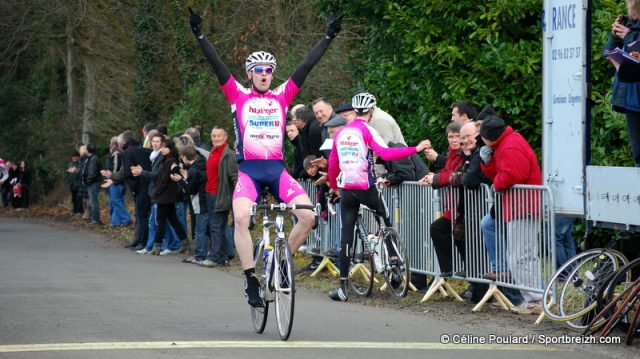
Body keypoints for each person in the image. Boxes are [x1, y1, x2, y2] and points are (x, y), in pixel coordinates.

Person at [189, 7, 342, 307]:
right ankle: (250, 281)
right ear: (249, 74)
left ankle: (282, 264)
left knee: (309, 216)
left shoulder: (282, 96)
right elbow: (217, 64)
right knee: (243, 217)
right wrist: (200, 35)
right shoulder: (237, 95)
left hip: (276, 170)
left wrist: (327, 36)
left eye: (268, 70)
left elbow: (305, 66)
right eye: (257, 70)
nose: (263, 74)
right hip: (248, 171)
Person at [326, 92, 431, 301]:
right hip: (367, 188)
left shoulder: (340, 133)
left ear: (355, 111)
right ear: (371, 110)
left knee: (346, 234)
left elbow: (332, 164)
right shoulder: (368, 130)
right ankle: (393, 262)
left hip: (347, 189)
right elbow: (387, 154)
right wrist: (416, 148)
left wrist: (334, 188)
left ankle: (343, 288)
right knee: (386, 223)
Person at [479, 115, 542, 315]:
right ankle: (535, 298)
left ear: (488, 137)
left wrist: (496, 184)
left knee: (520, 256)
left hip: (522, 206)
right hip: (521, 205)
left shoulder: (510, 146)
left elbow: (512, 175)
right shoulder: (508, 143)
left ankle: (534, 300)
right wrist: (488, 162)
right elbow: (503, 172)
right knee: (523, 255)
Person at [603, 2, 640, 167]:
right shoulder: (631, 23)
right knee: (638, 153)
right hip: (632, 98)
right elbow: (607, 52)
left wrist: (630, 36)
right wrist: (615, 36)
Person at [201, 127, 238, 268]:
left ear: (225, 137)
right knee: (218, 226)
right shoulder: (212, 151)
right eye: (213, 136)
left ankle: (214, 257)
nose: (216, 138)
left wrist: (236, 199)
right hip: (209, 193)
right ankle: (223, 257)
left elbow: (235, 178)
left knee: (216, 226)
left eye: (219, 136)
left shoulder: (229, 155)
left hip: (221, 195)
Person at [171, 145, 208, 265]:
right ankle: (201, 254)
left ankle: (200, 255)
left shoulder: (193, 170)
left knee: (199, 230)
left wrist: (180, 180)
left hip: (200, 202)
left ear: (185, 157)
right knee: (203, 229)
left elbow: (190, 189)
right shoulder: (202, 164)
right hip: (206, 199)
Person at [151, 138, 188, 253]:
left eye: (164, 147)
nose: (162, 149)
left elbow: (163, 180)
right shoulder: (169, 159)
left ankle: (157, 245)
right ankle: (184, 241)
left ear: (170, 148)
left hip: (165, 196)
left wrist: (156, 193)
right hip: (169, 195)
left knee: (160, 220)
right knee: (173, 219)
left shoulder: (169, 161)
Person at [101, 136, 132, 227]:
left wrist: (111, 176)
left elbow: (115, 167)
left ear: (112, 143)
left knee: (116, 201)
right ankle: (116, 221)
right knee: (116, 201)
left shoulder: (116, 152)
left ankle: (126, 218)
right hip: (119, 180)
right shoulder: (120, 151)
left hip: (116, 181)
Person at [81, 145, 102, 224]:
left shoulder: (93, 159)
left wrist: (88, 181)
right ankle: (95, 219)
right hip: (92, 183)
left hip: (93, 183)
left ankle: (95, 220)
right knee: (92, 201)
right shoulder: (90, 158)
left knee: (93, 202)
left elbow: (92, 172)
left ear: (88, 150)